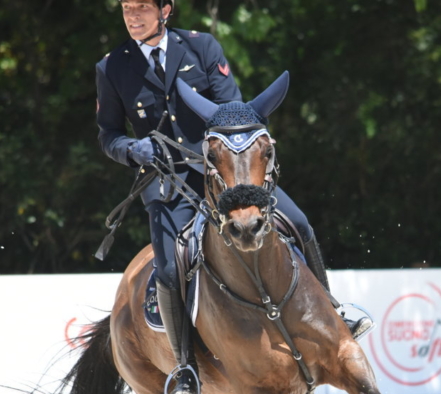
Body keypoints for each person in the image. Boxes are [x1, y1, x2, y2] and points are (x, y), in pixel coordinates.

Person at [94, 1, 373, 392]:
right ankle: (187, 366)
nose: (132, 15)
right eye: (127, 7)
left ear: (166, 9)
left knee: (301, 224)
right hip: (167, 186)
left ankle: (334, 310)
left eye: (142, 6)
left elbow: (235, 111)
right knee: (171, 270)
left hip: (224, 174)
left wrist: (233, 155)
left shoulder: (201, 48)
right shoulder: (111, 67)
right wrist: (130, 149)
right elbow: (108, 135)